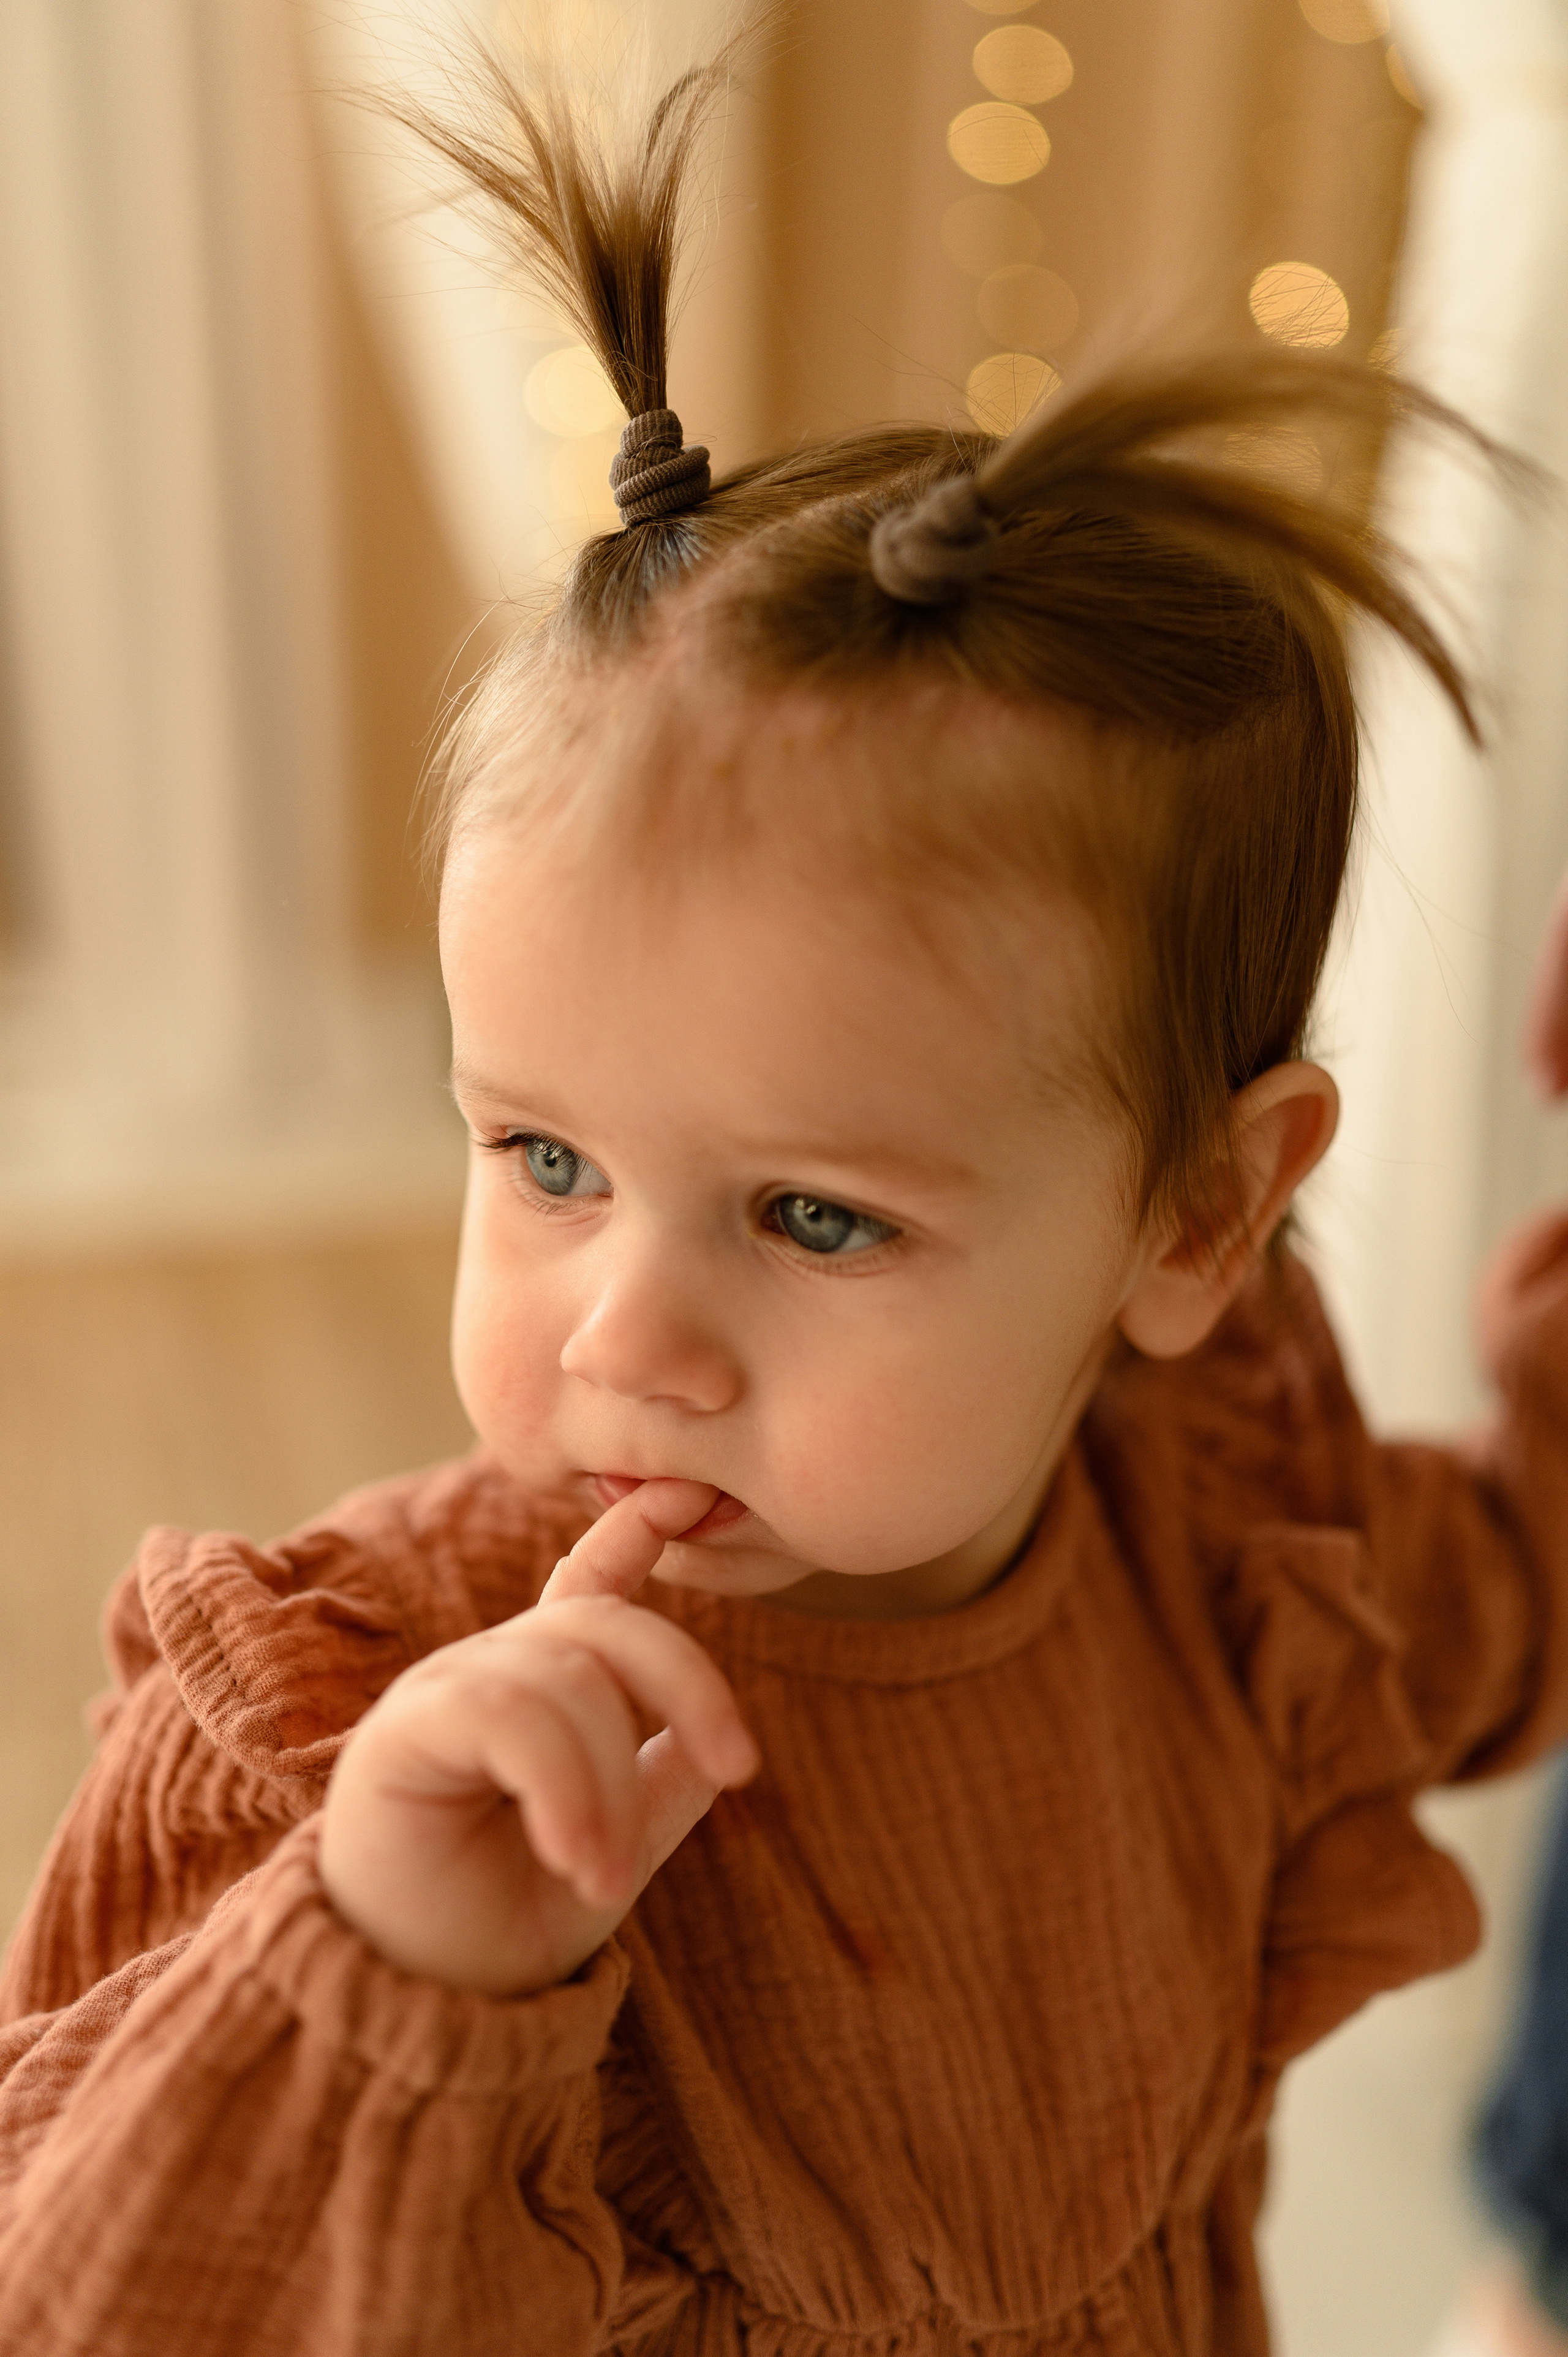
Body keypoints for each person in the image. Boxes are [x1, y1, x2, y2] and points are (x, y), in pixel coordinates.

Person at [1, 34, 1565, 2357]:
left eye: (815, 1219)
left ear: (1198, 1225)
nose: (625, 1334)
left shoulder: (1217, 1543)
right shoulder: (350, 1728)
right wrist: (388, 1962)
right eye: (543, 1158)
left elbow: (1500, 1602)